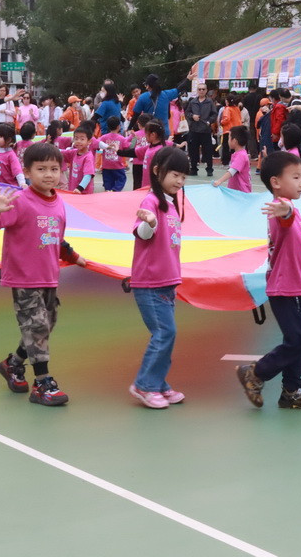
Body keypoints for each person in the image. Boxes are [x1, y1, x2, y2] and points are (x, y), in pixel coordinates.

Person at [0, 142, 87, 407]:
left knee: (45, 325)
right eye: (41, 169)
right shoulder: (20, 201)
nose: (49, 174)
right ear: (27, 172)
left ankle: (13, 364)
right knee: (37, 326)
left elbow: (56, 239)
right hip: (24, 277)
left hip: (49, 277)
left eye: (54, 169)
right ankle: (43, 383)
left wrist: (74, 257)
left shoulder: (60, 203)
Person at [236, 150, 301, 410]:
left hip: (296, 284)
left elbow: (298, 241)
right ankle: (257, 372)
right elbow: (286, 222)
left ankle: (292, 390)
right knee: (298, 341)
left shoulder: (291, 209)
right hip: (286, 288)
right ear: (276, 182)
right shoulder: (281, 211)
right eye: (295, 177)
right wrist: (285, 210)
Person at [129, 146, 190, 409]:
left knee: (167, 334)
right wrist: (150, 223)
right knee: (165, 332)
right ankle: (144, 385)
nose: (179, 181)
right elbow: (142, 233)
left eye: (183, 177)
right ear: (157, 171)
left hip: (166, 281)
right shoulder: (151, 201)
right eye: (175, 174)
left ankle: (158, 383)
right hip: (150, 282)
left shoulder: (171, 204)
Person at [184, 82, 218, 177]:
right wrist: (192, 116)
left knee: (208, 151)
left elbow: (214, 114)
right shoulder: (193, 102)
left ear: (206, 90)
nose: (201, 91)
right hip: (194, 129)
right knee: (193, 150)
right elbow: (187, 113)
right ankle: (194, 169)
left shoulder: (210, 102)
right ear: (197, 90)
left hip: (205, 130)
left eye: (203, 89)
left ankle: (209, 169)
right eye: (199, 89)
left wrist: (209, 121)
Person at [213, 126, 252, 192]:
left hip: (240, 192)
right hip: (236, 191)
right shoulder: (239, 154)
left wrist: (219, 181)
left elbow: (232, 171)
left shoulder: (241, 156)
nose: (228, 140)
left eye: (229, 138)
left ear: (234, 141)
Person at [61, 124, 98, 194]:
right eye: (76, 138)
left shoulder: (88, 157)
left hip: (83, 192)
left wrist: (79, 188)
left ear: (89, 141)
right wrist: (50, 149)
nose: (78, 141)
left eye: (82, 139)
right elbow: (61, 152)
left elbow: (88, 175)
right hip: (73, 190)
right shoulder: (73, 152)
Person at [99, 116, 129, 192]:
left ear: (108, 126)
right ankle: (115, 190)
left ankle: (108, 191)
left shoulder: (103, 138)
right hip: (118, 166)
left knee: (107, 182)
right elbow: (127, 147)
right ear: (118, 126)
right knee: (122, 178)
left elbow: (97, 144)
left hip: (106, 166)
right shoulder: (121, 138)